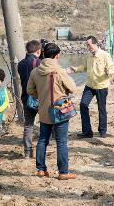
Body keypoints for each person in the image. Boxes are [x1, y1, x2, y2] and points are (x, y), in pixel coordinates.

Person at [27, 43, 77, 180]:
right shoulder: (59, 71)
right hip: (60, 110)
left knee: (42, 140)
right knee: (61, 142)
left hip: (43, 110)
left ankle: (41, 170)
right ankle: (63, 172)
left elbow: (30, 91)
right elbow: (73, 88)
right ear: (57, 55)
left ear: (43, 54)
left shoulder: (35, 72)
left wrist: (42, 96)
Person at [68, 36, 114, 138]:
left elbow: (112, 70)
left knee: (101, 108)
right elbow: (84, 67)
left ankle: (102, 131)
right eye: (87, 45)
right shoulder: (88, 56)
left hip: (101, 86)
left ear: (95, 44)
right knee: (83, 105)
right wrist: (75, 69)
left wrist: (108, 71)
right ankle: (87, 132)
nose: (88, 47)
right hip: (89, 85)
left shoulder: (105, 55)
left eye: (89, 45)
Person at [18, 40, 42, 158]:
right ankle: (42, 148)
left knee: (28, 125)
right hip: (40, 98)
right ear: (38, 51)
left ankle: (27, 152)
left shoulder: (21, 64)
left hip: (26, 98)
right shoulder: (39, 63)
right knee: (46, 123)